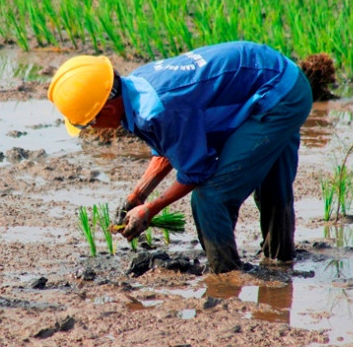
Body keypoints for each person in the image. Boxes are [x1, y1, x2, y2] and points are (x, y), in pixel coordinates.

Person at [47, 41, 313, 273]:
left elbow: (197, 171)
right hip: (274, 74)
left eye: (87, 123)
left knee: (210, 196)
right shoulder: (135, 87)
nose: (91, 129)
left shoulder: (158, 109)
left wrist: (150, 210)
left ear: (105, 109)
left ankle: (226, 277)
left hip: (279, 94)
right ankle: (280, 264)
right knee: (272, 182)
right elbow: (170, 148)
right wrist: (138, 195)